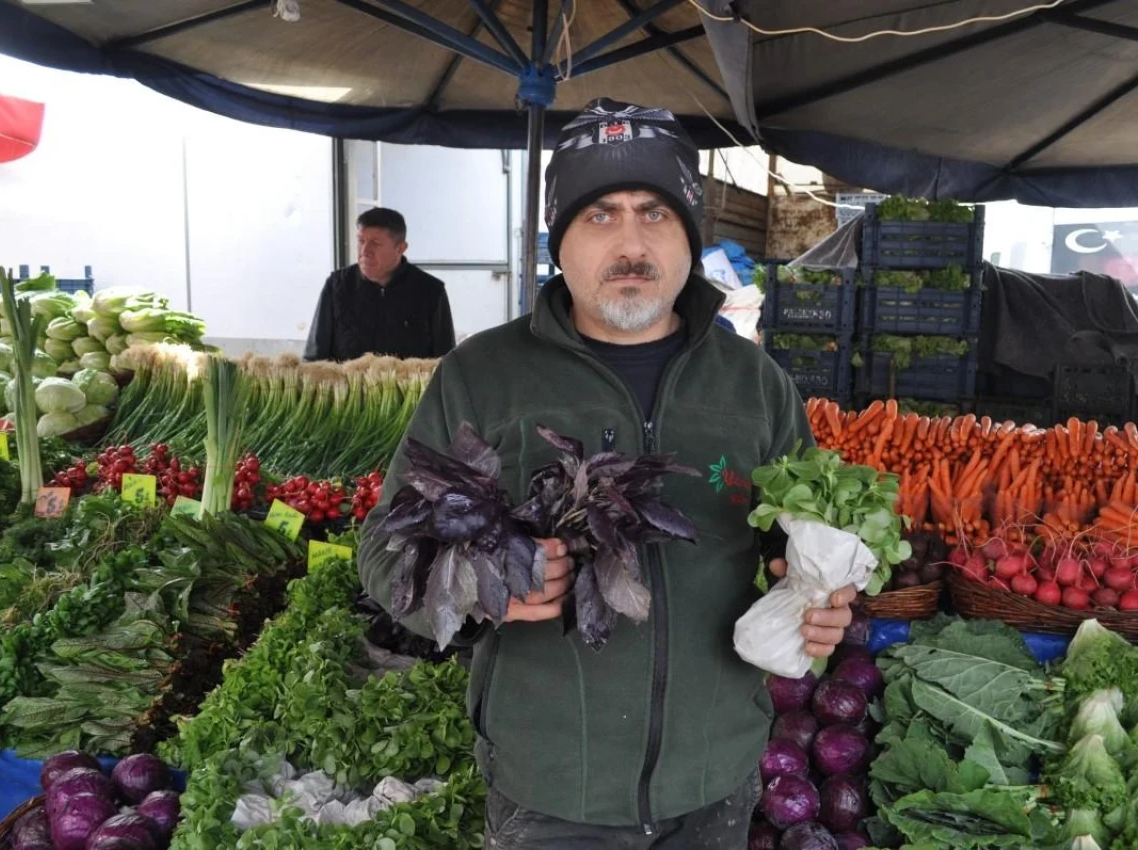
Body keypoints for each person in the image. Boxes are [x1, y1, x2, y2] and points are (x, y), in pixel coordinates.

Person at [357, 98, 856, 848]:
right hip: (551, 784)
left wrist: (820, 601)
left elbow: (801, 551)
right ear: (561, 239)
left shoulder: (755, 384)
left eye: (655, 212)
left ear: (690, 234)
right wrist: (481, 582)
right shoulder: (483, 376)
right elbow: (384, 555)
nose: (630, 243)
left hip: (713, 778)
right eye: (600, 215)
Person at [303, 207, 456, 362]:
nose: (365, 251)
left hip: (412, 386)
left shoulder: (430, 291)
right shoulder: (337, 286)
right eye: (361, 241)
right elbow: (314, 358)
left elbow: (446, 362)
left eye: (375, 243)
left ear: (401, 248)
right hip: (345, 385)